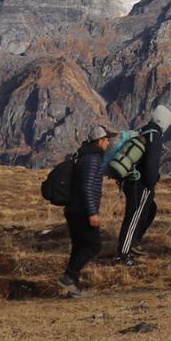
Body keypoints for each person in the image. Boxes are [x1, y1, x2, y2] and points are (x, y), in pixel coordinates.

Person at [60, 126, 113, 297]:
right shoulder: (92, 159)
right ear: (99, 141)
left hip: (73, 209)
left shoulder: (84, 155)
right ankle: (69, 276)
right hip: (82, 210)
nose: (108, 142)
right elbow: (87, 187)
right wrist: (92, 212)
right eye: (106, 139)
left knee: (79, 247)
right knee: (93, 245)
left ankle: (72, 288)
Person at [116, 105, 170, 265]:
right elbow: (151, 164)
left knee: (150, 210)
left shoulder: (144, 131)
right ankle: (123, 254)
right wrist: (151, 182)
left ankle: (134, 242)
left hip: (132, 182)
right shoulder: (155, 136)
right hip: (141, 184)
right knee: (133, 217)